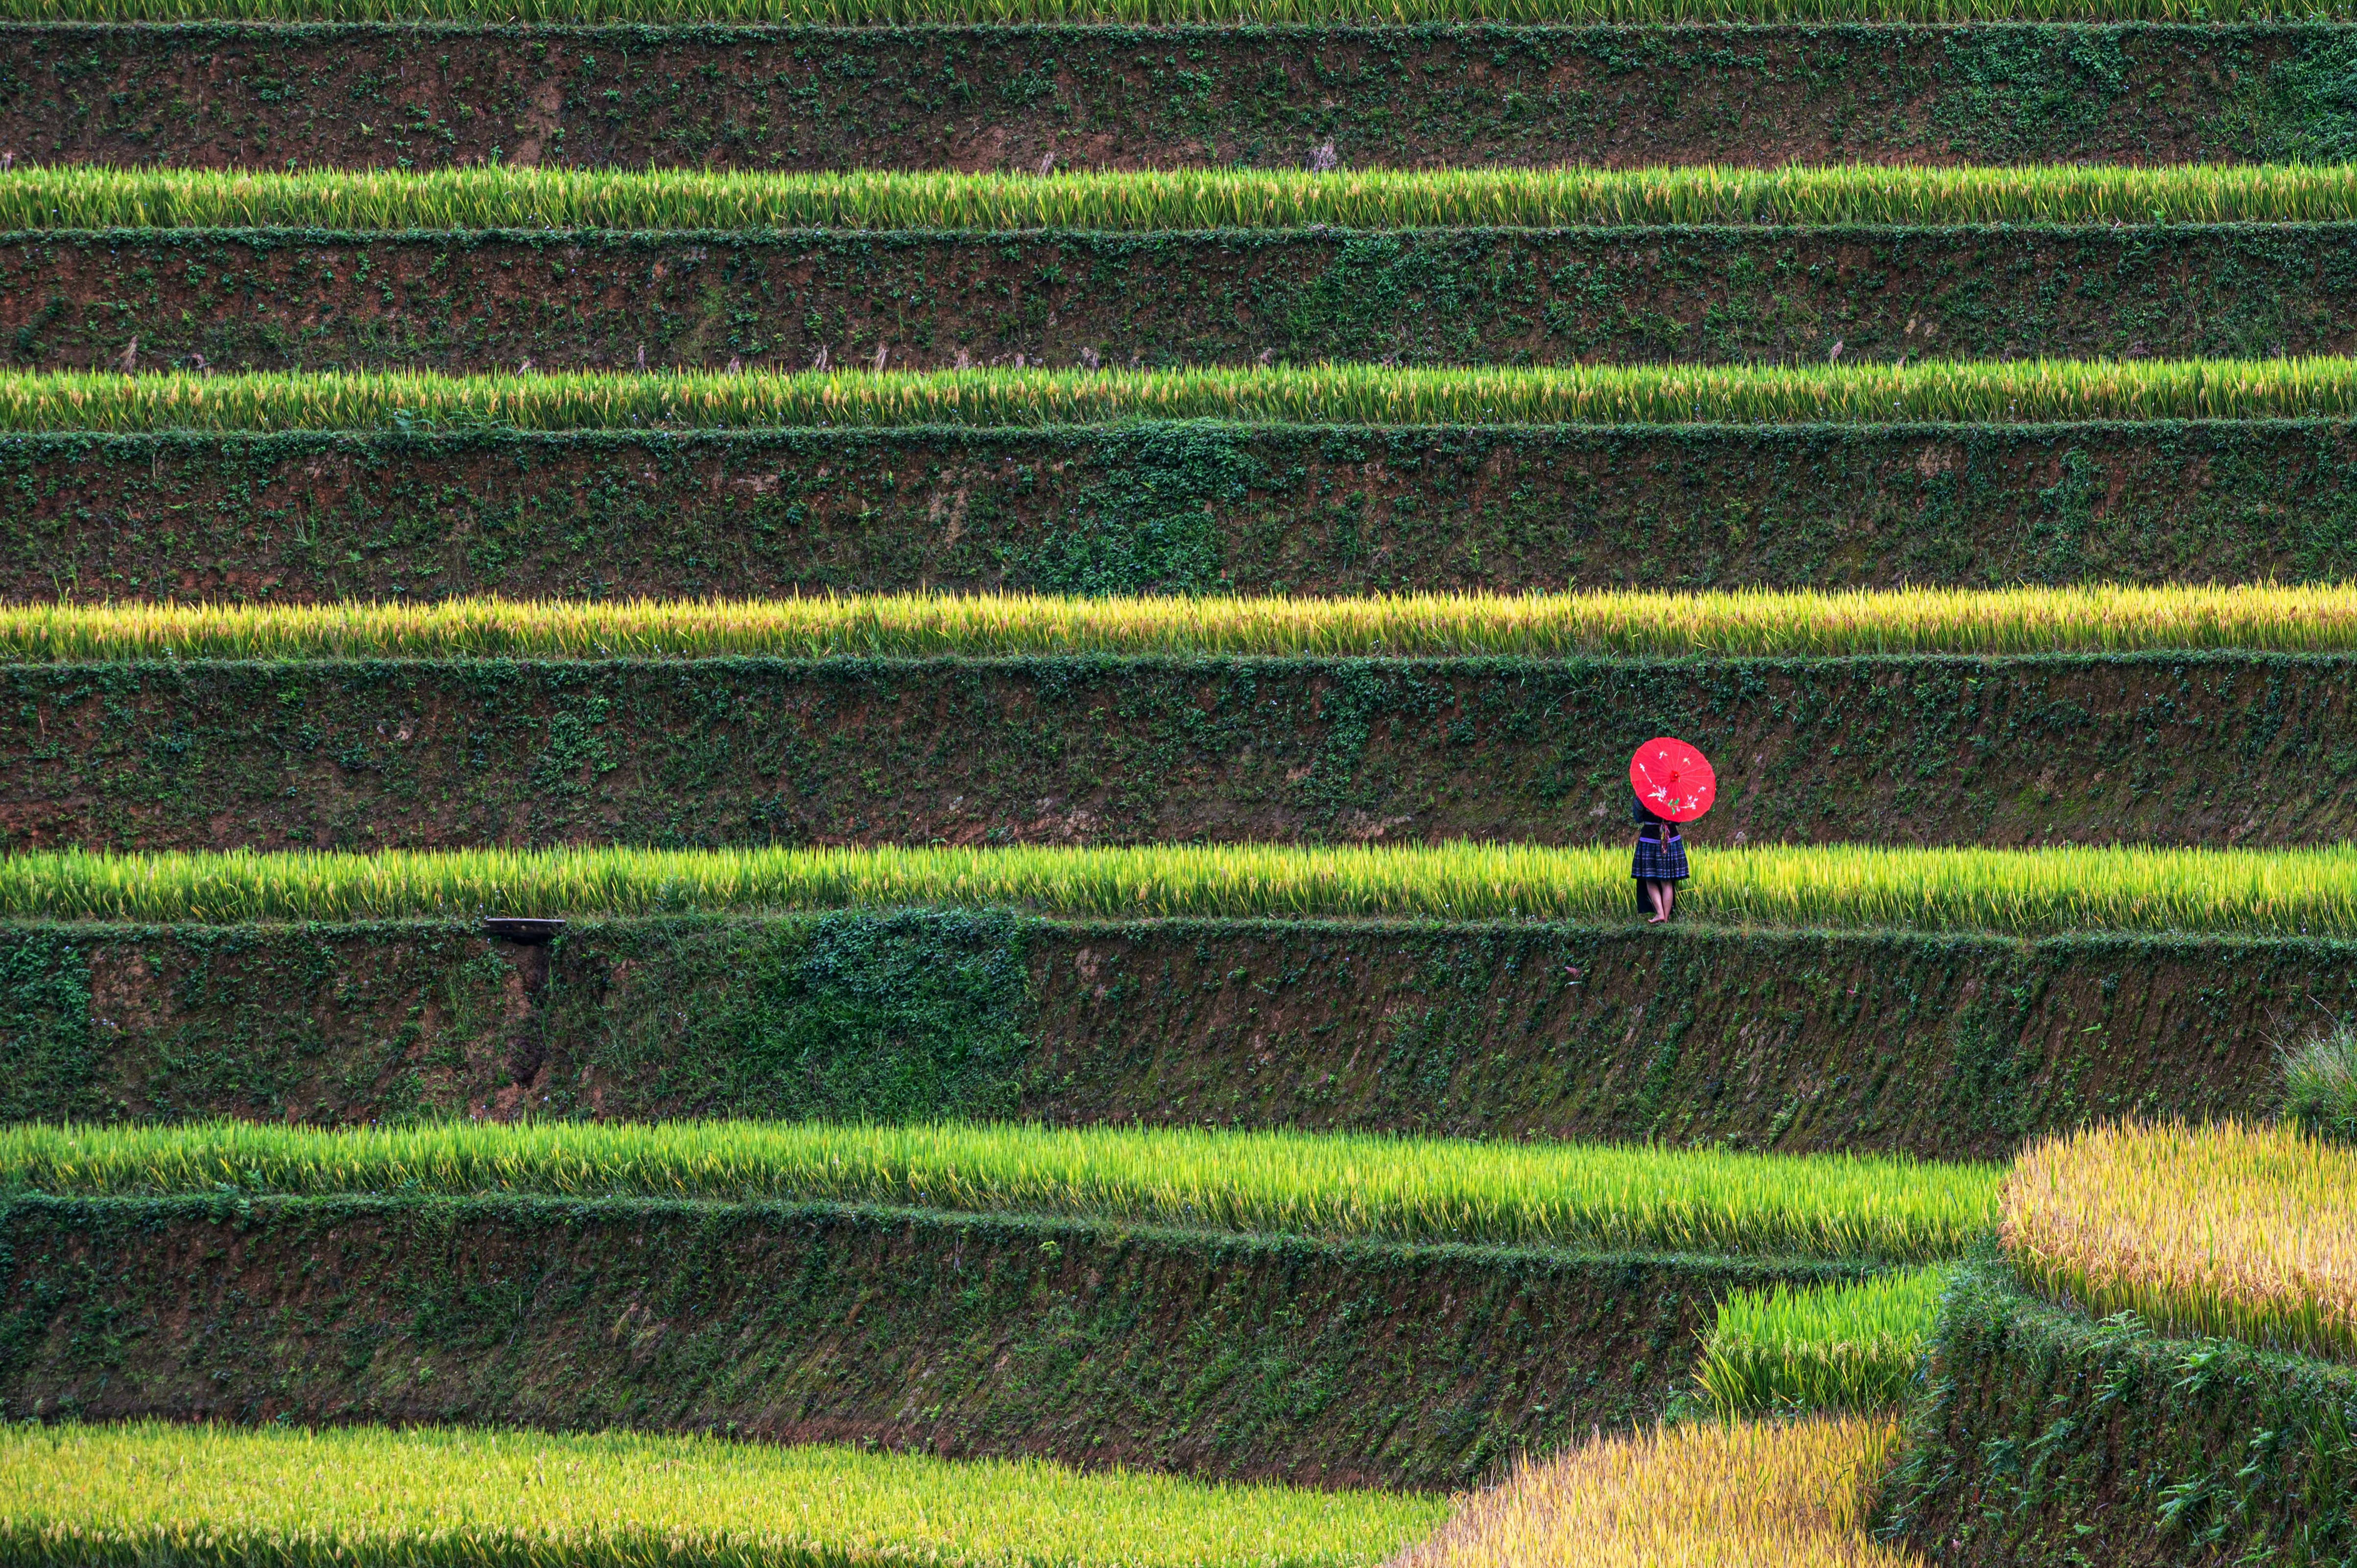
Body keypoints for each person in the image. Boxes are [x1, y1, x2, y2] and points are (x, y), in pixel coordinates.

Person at [1630, 788, 1688, 924]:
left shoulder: (1646, 791)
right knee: (1667, 881)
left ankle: (1660, 913)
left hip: (1650, 839)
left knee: (1650, 879)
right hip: (1670, 839)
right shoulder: (1675, 793)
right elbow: (1678, 820)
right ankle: (1666, 919)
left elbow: (1638, 817)